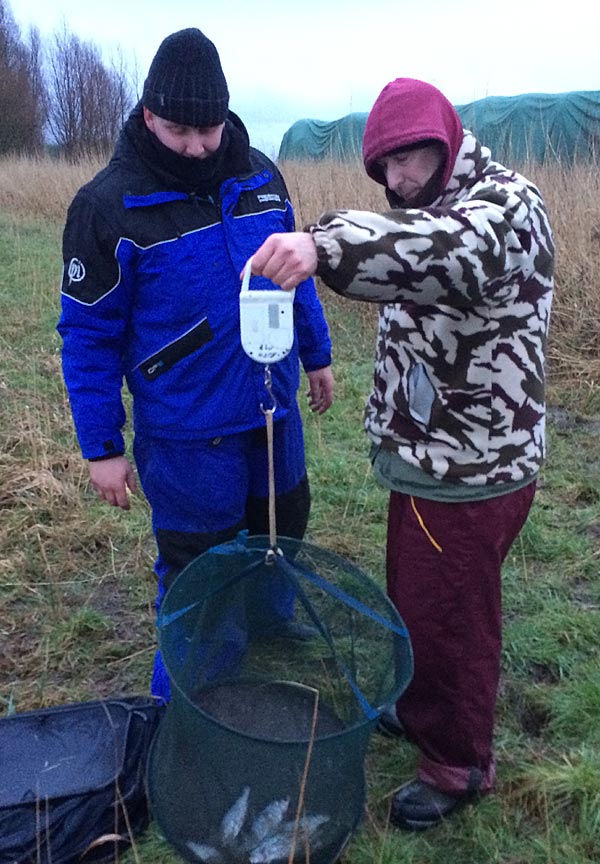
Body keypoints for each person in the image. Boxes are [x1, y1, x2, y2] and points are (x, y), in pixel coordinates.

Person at [247, 78, 554, 830]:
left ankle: (456, 763)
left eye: (407, 159)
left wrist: (323, 245)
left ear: (444, 143)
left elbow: (440, 253)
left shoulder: (503, 208)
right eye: (382, 167)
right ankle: (421, 708)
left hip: (471, 468)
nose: (396, 179)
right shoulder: (436, 202)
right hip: (430, 459)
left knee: (453, 621)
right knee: (419, 599)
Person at [58, 28, 334, 703]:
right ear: (149, 115)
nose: (196, 145)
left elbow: (294, 275)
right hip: (187, 430)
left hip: (273, 408)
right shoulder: (105, 206)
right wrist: (101, 447)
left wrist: (317, 355)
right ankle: (190, 691)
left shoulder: (261, 177)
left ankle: (270, 621)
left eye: (207, 129)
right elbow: (87, 335)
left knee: (282, 523)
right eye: (179, 130)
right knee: (200, 563)